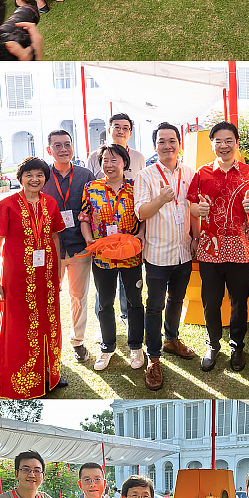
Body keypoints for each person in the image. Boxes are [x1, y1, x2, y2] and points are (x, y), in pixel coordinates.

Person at [187, 120, 249, 372]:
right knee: (211, 301)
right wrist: (196, 209)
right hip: (210, 248)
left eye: (228, 141)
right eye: (218, 141)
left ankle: (237, 345)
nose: (224, 146)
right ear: (212, 144)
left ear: (236, 144)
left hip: (240, 248)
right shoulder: (201, 174)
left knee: (238, 302)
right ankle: (212, 344)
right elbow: (190, 205)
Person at [0, 157, 65, 397]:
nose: (35, 179)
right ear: (20, 178)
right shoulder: (7, 205)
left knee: (49, 325)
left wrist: (58, 272)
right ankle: (22, 380)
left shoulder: (50, 203)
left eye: (40, 175)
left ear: (45, 178)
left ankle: (50, 376)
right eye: (29, 175)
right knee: (20, 328)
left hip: (47, 279)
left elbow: (55, 238)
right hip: (17, 279)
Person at [135, 122, 198, 389]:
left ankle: (172, 339)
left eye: (172, 140)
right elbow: (141, 213)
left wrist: (195, 238)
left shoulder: (189, 172)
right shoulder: (145, 175)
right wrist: (160, 199)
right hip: (158, 253)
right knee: (155, 305)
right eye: (162, 141)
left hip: (184, 250)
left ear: (179, 144)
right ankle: (153, 357)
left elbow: (194, 208)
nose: (167, 145)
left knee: (177, 299)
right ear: (155, 146)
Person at [81, 144, 144, 372]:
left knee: (134, 302)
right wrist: (89, 240)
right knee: (105, 302)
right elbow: (85, 216)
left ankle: (136, 347)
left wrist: (141, 235)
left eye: (114, 160)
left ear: (125, 163)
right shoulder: (92, 187)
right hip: (103, 256)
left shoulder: (135, 187)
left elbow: (143, 215)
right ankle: (107, 347)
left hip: (130, 254)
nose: (109, 165)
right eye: (105, 160)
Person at [42, 129, 95, 362]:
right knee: (47, 296)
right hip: (48, 249)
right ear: (49, 150)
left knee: (79, 296)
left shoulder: (86, 175)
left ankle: (78, 341)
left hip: (79, 246)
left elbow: (95, 209)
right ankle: (46, 342)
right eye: (57, 146)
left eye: (67, 144)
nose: (63, 149)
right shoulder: (41, 176)